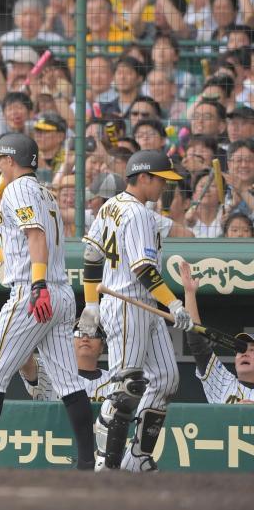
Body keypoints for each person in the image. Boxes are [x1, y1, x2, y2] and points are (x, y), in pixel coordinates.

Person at [0, 133, 95, 469]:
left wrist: (37, 285)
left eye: (1, 159)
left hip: (34, 292)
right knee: (69, 382)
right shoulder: (43, 191)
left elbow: (36, 237)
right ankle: (88, 461)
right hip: (59, 293)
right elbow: (28, 248)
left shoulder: (18, 189)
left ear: (11, 160)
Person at [81, 150, 194, 472]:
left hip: (141, 303)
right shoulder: (138, 213)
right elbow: (143, 269)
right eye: (160, 180)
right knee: (125, 387)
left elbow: (91, 257)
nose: (164, 187)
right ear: (143, 177)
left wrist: (92, 302)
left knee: (166, 379)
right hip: (128, 304)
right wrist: (174, 303)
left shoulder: (111, 205)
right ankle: (105, 465)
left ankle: (137, 458)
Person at [179, 261, 254, 404]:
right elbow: (197, 343)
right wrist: (189, 294)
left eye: (252, 350)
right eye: (240, 350)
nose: (244, 353)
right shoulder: (223, 381)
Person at [19, 325, 114, 402]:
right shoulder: (50, 371)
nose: (85, 338)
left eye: (93, 334)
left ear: (102, 347)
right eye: (78, 333)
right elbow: (24, 360)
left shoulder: (114, 381)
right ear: (68, 342)